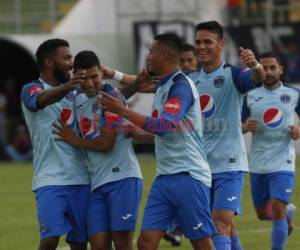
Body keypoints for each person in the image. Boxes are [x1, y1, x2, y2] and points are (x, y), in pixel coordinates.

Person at [99, 33, 216, 250]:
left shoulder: (180, 86)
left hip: (189, 176)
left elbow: (166, 125)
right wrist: (138, 133)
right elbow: (173, 130)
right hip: (165, 177)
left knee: (201, 242)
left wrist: (122, 110)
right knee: (146, 243)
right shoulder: (164, 85)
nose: (148, 56)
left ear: (163, 55)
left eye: (151, 51)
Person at [53, 50, 143, 250]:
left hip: (123, 179)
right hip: (98, 183)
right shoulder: (76, 98)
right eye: (84, 78)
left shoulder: (111, 97)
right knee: (99, 244)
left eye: (95, 77)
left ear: (102, 73)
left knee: (122, 244)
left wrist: (74, 140)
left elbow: (105, 144)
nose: (90, 83)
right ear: (76, 77)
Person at [187, 20, 265, 250]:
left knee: (219, 223)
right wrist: (117, 76)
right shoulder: (190, 80)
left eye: (207, 42)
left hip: (229, 165)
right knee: (221, 226)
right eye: (198, 42)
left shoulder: (234, 74)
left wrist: (256, 65)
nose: (201, 46)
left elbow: (257, 79)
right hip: (200, 167)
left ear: (221, 44)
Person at [21, 39, 90, 250]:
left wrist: (133, 85)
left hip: (81, 178)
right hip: (49, 180)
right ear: (49, 63)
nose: (72, 62)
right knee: (50, 240)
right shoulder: (31, 89)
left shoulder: (77, 92)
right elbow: (39, 101)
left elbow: (106, 100)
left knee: (79, 243)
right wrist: (67, 86)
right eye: (67, 57)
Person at [242, 51, 297, 250]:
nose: (268, 71)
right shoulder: (250, 95)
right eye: (264, 67)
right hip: (258, 162)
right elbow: (237, 125)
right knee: (263, 213)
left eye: (273, 67)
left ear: (281, 69)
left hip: (283, 161)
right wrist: (245, 127)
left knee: (276, 206)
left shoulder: (293, 94)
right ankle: (287, 213)